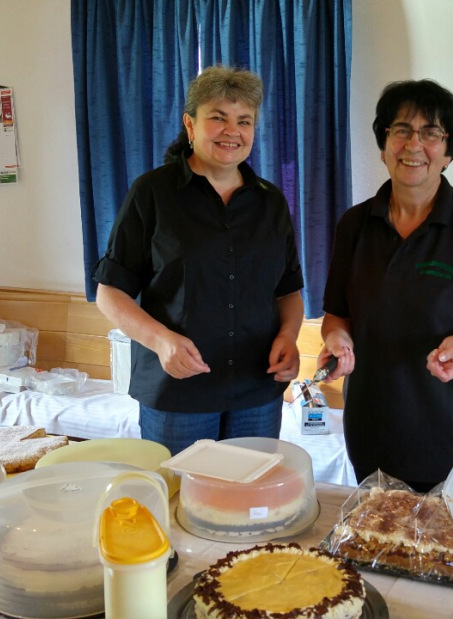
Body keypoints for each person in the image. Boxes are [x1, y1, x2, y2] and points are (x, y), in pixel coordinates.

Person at [319, 79, 453, 493]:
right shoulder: (355, 225)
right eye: (401, 130)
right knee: (378, 540)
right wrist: (338, 341)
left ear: (448, 152)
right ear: (383, 144)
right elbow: (338, 314)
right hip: (373, 419)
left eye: (431, 133)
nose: (414, 145)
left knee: (450, 549)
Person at [93, 65, 304, 457]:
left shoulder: (270, 202)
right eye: (218, 118)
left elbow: (288, 291)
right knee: (178, 505)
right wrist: (161, 341)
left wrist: (289, 338)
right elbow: (110, 293)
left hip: (257, 391)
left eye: (245, 121)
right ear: (190, 125)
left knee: (246, 504)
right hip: (178, 393)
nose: (232, 131)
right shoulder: (152, 194)